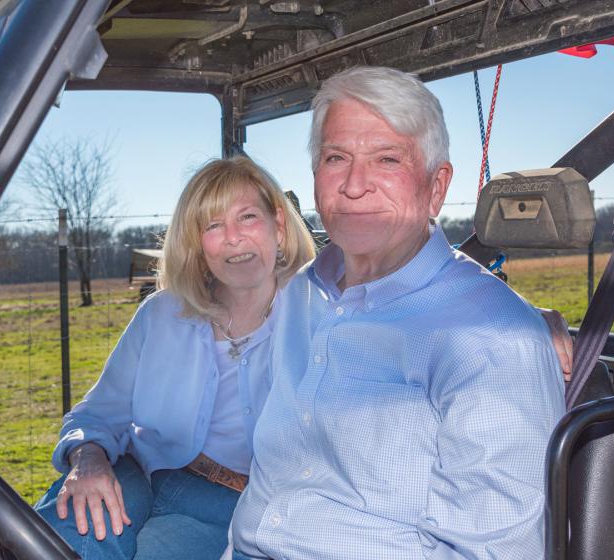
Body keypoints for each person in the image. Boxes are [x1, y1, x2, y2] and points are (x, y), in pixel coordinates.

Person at [228, 66, 566, 559]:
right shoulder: (302, 295)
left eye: (387, 159)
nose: (355, 184)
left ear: (436, 186)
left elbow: (494, 553)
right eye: (336, 157)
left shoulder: (493, 338)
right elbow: (272, 478)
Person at [34, 155, 316, 560]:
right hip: (135, 474)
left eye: (247, 217)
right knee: (66, 540)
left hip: (230, 503)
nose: (233, 237)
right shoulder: (162, 312)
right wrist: (89, 459)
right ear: (197, 243)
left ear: (279, 224)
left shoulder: (318, 317)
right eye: (213, 226)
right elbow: (98, 415)